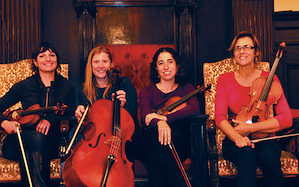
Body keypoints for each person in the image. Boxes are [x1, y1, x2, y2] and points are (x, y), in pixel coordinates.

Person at [215, 31, 292, 187]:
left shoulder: (271, 78)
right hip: (234, 137)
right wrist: (237, 136)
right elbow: (220, 117)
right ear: (233, 53)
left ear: (256, 52)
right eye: (237, 48)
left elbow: (286, 119)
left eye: (246, 47)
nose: (242, 51)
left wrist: (250, 128)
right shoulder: (224, 79)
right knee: (246, 154)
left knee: (270, 156)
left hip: (265, 138)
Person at [0, 42, 76, 187]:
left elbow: (70, 116)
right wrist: (4, 122)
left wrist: (51, 120)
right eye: (42, 55)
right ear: (35, 61)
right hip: (18, 142)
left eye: (52, 55)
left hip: (52, 144)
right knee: (35, 138)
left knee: (30, 154)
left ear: (57, 59)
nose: (48, 59)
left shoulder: (67, 86)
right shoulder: (24, 85)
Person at [130, 47, 200, 187]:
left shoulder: (187, 88)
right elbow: (146, 118)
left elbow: (194, 108)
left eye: (170, 61)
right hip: (147, 139)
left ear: (177, 65)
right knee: (158, 138)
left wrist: (166, 119)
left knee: (155, 155)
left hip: (177, 143)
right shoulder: (147, 91)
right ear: (156, 68)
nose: (166, 67)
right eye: (161, 63)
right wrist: (160, 124)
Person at [75, 45, 138, 131]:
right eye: (96, 62)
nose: (101, 66)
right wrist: (81, 116)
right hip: (95, 139)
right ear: (91, 65)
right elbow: (86, 126)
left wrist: (120, 109)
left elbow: (133, 116)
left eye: (105, 61)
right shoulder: (83, 90)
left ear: (111, 64)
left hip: (122, 135)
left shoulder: (123, 84)